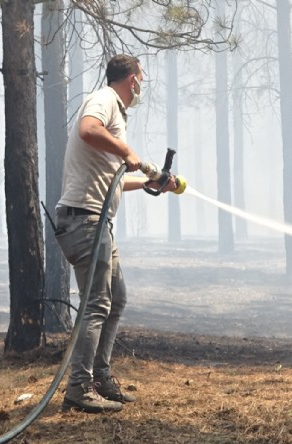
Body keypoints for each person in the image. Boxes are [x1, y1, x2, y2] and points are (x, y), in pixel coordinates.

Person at [55, 54, 176, 413]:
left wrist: (154, 182)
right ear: (131, 79)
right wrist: (126, 149)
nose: (142, 85)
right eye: (141, 77)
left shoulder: (116, 111)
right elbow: (88, 130)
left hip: (94, 221)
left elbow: (116, 180)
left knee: (116, 298)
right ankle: (78, 387)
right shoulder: (104, 100)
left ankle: (99, 376)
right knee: (96, 303)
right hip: (84, 221)